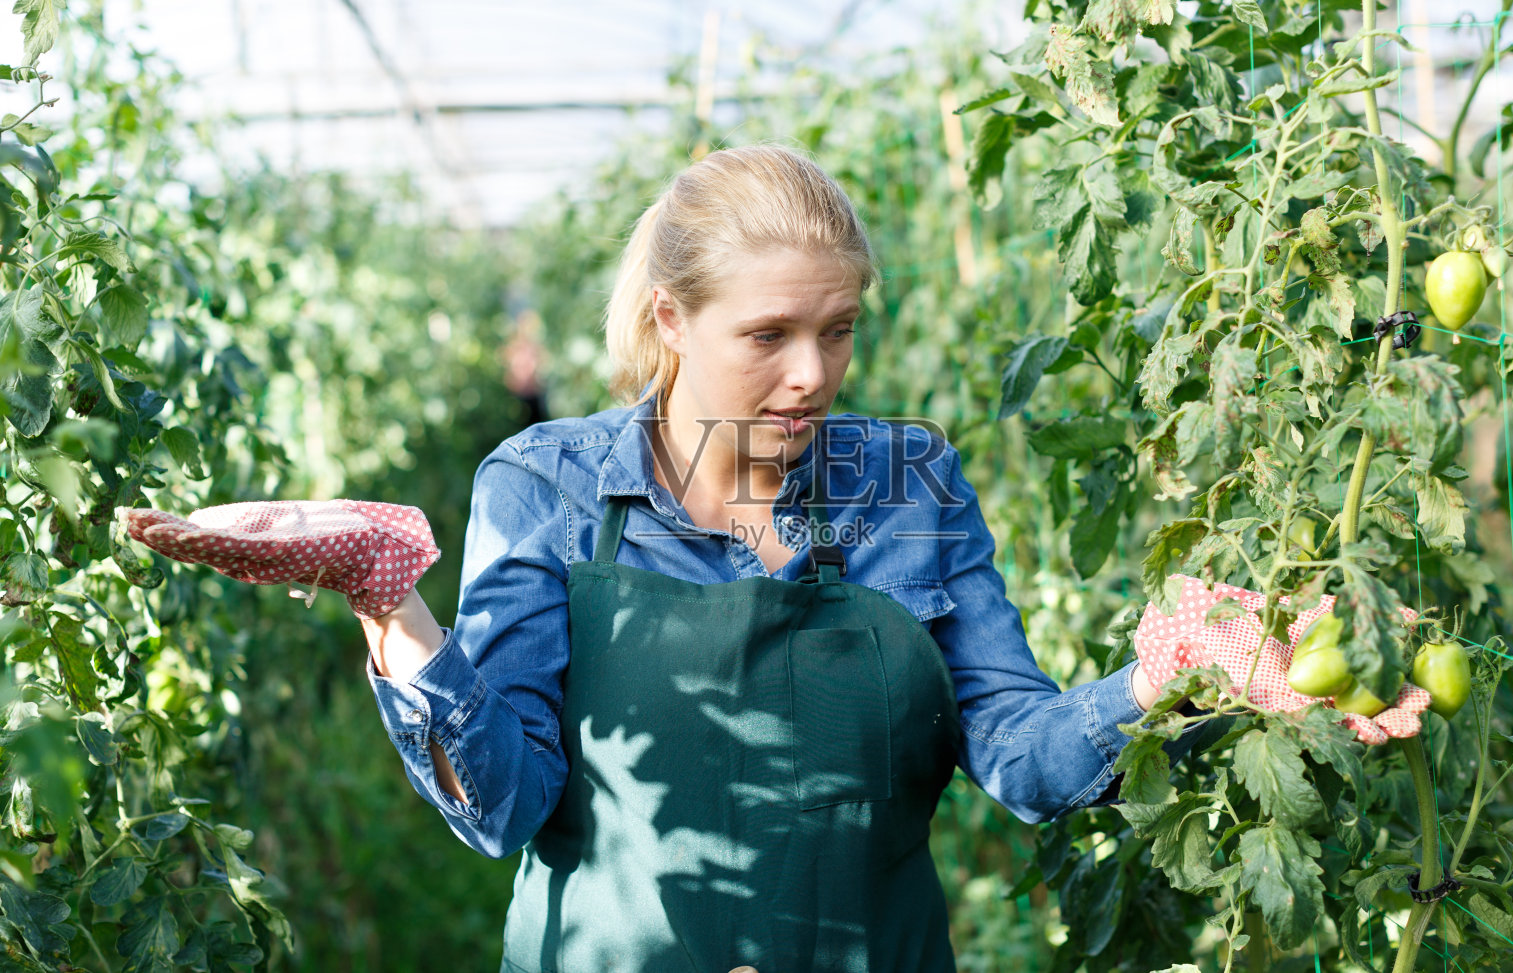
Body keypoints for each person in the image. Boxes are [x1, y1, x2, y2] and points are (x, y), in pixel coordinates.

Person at [123, 144, 1427, 973]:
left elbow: (1020, 758)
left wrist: (1174, 670)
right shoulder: (550, 484)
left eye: (839, 330)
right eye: (769, 334)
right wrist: (391, 605)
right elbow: (505, 806)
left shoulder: (907, 482)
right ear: (668, 322)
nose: (813, 373)